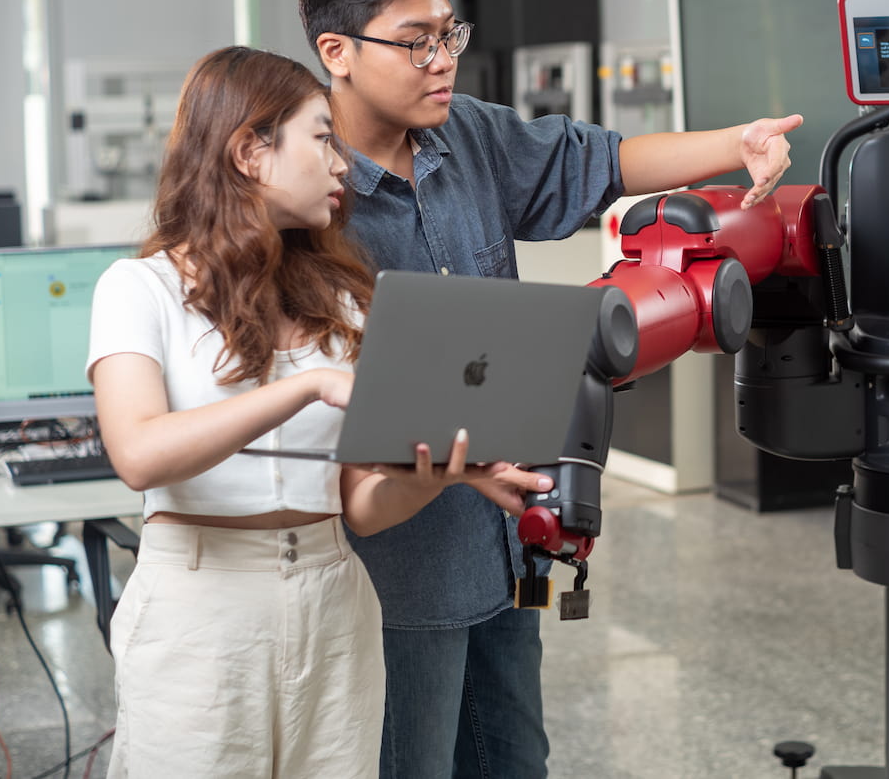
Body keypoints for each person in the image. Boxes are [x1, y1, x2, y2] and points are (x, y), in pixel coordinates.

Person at [298, 0, 804, 778]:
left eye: (449, 35)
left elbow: (605, 161)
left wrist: (738, 145)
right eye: (415, 42)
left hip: (505, 543)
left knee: (514, 761)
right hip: (397, 571)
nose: (441, 61)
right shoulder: (312, 199)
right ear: (336, 51)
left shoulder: (474, 139)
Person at [86, 46, 551, 778]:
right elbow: (138, 453)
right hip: (200, 615)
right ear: (250, 150)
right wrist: (307, 388)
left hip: (335, 605)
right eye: (321, 138)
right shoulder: (137, 289)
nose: (342, 165)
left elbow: (360, 504)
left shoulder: (340, 302)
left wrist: (440, 475)